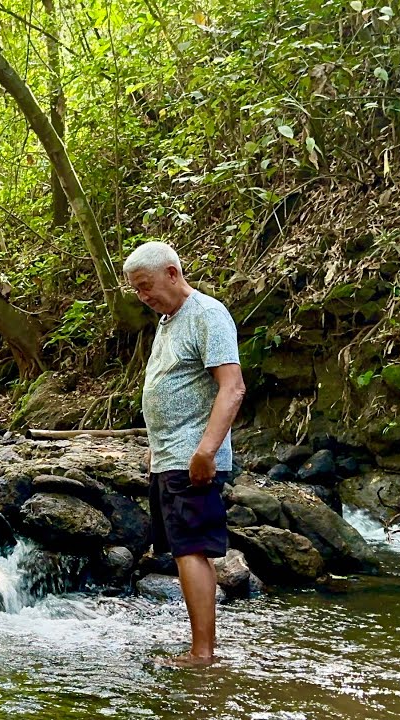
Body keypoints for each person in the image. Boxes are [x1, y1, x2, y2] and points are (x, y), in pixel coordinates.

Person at [123, 241, 246, 668]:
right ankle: (200, 647)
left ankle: (202, 654)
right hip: (170, 455)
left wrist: (205, 452)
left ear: (173, 273)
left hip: (191, 457)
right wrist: (155, 448)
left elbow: (232, 387)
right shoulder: (168, 321)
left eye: (146, 286)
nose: (142, 296)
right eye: (136, 290)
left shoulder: (207, 314)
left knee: (191, 550)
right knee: (182, 550)